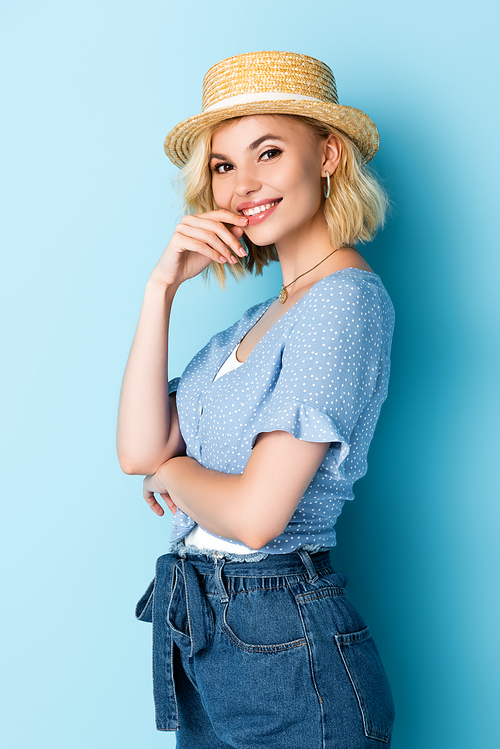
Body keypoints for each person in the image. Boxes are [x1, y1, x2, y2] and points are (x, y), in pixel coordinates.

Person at [117, 50, 396, 749]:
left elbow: (255, 516)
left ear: (327, 154)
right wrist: (161, 290)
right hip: (208, 635)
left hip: (288, 644)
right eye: (223, 165)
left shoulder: (344, 303)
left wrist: (173, 474)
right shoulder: (254, 325)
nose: (243, 184)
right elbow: (137, 448)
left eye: (268, 152)